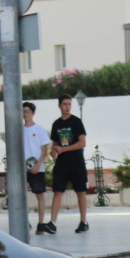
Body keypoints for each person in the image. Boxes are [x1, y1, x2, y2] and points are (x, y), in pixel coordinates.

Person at [45, 93, 90, 233]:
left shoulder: (76, 121)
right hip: (62, 163)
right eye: (65, 104)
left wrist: (64, 149)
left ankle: (83, 221)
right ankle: (53, 222)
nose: (67, 107)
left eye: (69, 104)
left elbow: (82, 143)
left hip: (76, 161)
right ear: (59, 106)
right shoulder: (56, 124)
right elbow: (55, 144)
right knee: (58, 191)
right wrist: (54, 151)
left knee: (81, 191)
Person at [22, 102, 53, 235]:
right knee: (21, 195)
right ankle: (24, 221)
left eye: (27, 111)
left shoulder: (39, 130)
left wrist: (37, 165)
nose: (25, 114)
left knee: (39, 195)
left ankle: (41, 223)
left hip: (37, 168)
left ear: (33, 113)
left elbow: (44, 150)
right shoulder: (20, 130)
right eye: (23, 111)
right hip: (23, 168)